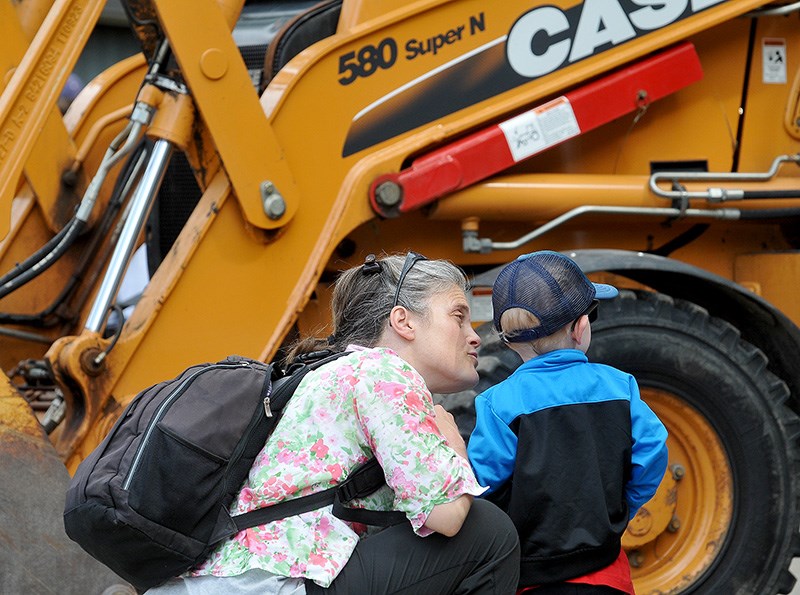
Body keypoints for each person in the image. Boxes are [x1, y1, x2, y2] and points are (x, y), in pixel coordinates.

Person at [149, 252, 520, 594]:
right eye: (458, 316)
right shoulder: (383, 371)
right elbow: (447, 516)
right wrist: (455, 446)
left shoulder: (331, 371)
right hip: (271, 583)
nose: (474, 335)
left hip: (222, 580)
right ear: (403, 321)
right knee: (487, 531)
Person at [467, 251, 668, 595]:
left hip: (527, 576)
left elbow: (484, 489)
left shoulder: (497, 403)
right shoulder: (621, 387)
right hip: (605, 571)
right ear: (581, 327)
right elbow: (651, 452)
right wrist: (620, 509)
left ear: (509, 341)